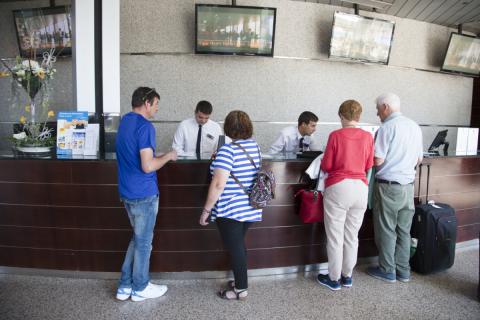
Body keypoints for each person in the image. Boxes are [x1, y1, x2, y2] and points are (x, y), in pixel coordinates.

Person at [115, 87, 177, 302]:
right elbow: (148, 166)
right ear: (147, 103)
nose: (157, 108)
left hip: (127, 192)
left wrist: (156, 155)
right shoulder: (145, 126)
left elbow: (136, 155)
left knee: (138, 238)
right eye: (156, 104)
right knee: (143, 242)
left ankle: (124, 286)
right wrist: (168, 156)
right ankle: (140, 287)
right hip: (143, 194)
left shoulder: (124, 122)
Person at [199, 110, 262, 300]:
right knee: (239, 246)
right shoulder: (255, 147)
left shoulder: (228, 150)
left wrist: (206, 210)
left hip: (231, 209)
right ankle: (239, 281)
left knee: (235, 248)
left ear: (228, 128)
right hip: (250, 207)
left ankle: (241, 289)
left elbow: (218, 184)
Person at [316, 100, 374, 290]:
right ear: (358, 116)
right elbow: (368, 165)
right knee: (352, 236)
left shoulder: (336, 135)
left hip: (339, 187)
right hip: (361, 188)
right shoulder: (367, 137)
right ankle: (347, 276)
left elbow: (327, 165)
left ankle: (333, 279)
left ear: (341, 115)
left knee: (335, 236)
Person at [367, 93, 423, 283]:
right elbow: (419, 159)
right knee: (404, 231)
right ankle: (403, 271)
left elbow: (378, 159)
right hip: (408, 187)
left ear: (385, 107)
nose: (377, 114)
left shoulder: (387, 127)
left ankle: (387, 270)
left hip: (388, 187)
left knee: (386, 229)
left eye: (377, 109)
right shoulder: (414, 126)